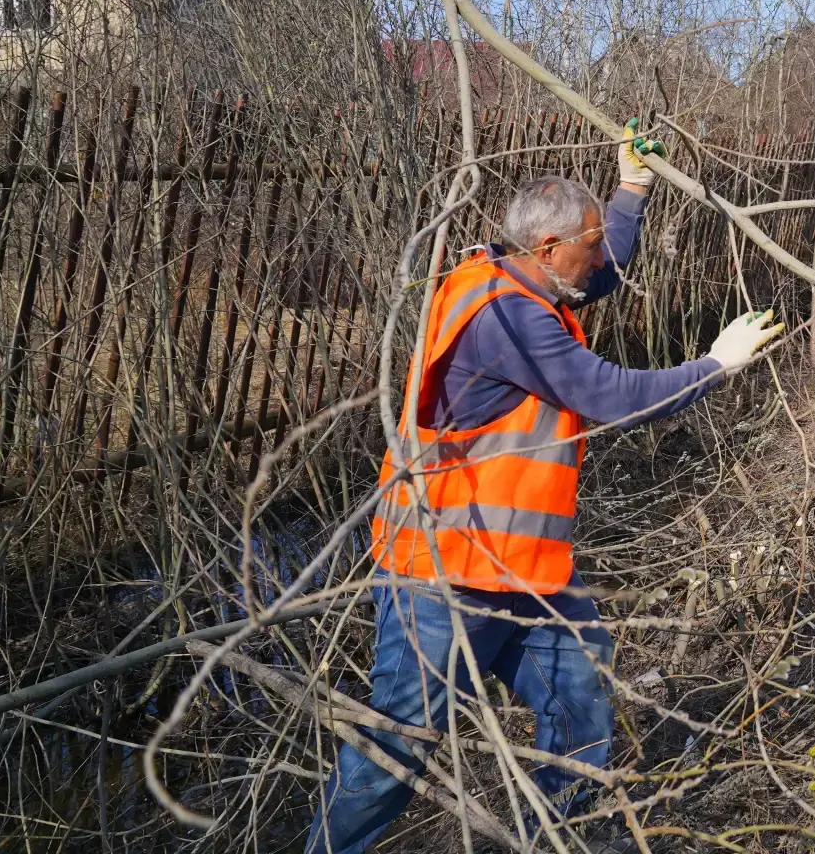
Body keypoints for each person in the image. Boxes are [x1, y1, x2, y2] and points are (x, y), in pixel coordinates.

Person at [307, 125, 782, 854]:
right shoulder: (504, 316)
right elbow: (616, 394)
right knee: (393, 756)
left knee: (581, 694)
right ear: (548, 250)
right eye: (589, 244)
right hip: (443, 575)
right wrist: (715, 366)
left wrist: (632, 187)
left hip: (518, 571)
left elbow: (606, 270)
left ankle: (552, 840)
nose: (599, 260)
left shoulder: (528, 282)